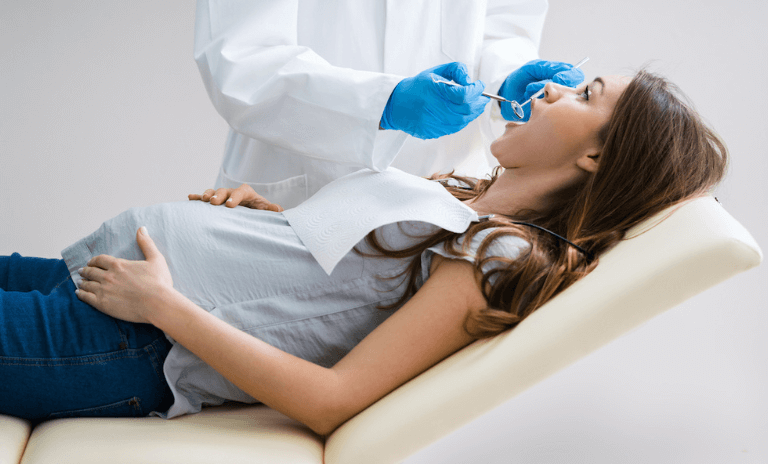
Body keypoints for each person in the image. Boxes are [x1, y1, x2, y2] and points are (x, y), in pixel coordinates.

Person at [0, 71, 727, 436]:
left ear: (600, 154)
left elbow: (332, 399)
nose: (546, 90)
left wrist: (166, 305)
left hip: (122, 339)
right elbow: (347, 287)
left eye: (583, 95)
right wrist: (275, 223)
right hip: (100, 287)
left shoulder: (497, 256)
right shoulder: (469, 202)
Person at [194, 0, 584, 209]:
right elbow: (241, 60)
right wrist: (382, 105)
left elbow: (503, 20)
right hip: (298, 193)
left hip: (444, 196)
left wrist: (507, 79)